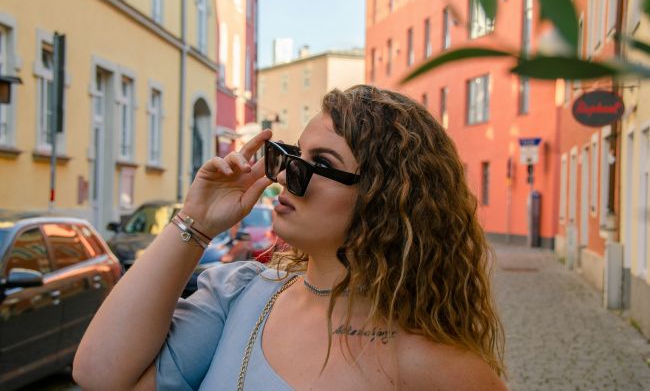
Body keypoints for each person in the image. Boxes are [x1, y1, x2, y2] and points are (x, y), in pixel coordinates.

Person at [73, 85, 507, 390]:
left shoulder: (436, 366)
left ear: (387, 198)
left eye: (321, 163)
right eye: (293, 155)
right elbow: (99, 374)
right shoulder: (240, 296)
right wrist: (196, 221)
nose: (282, 175)